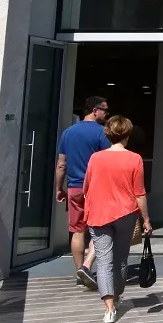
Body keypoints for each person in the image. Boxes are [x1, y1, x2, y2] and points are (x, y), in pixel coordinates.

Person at [82, 115, 151, 323]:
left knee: (103, 260)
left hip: (98, 214)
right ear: (127, 135)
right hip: (125, 214)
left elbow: (86, 187)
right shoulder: (135, 159)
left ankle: (109, 308)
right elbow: (139, 193)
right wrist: (146, 219)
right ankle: (118, 295)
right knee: (121, 259)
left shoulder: (96, 158)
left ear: (108, 134)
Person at [54, 96, 110, 289]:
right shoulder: (102, 133)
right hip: (95, 188)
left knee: (77, 231)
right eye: (105, 110)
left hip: (74, 188)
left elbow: (61, 165)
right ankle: (87, 267)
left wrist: (59, 189)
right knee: (99, 229)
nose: (106, 114)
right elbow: (108, 161)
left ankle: (80, 272)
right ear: (95, 110)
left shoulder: (68, 133)